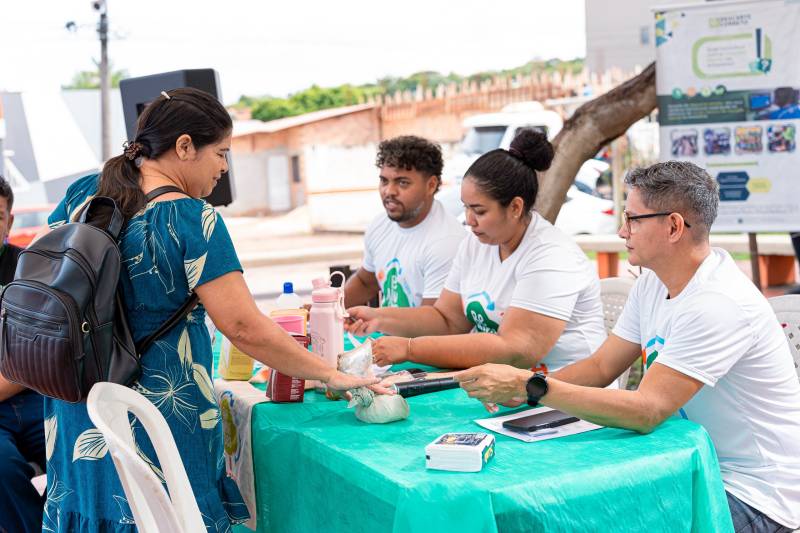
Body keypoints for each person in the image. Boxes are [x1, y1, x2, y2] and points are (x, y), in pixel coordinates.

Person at [40, 88, 376, 532]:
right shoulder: (192, 219)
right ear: (184, 147)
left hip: (78, 403)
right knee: (164, 514)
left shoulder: (82, 194)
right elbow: (243, 326)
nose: (224, 168)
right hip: (155, 415)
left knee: (95, 510)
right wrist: (330, 373)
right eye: (221, 153)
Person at [456, 161, 800, 532]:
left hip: (754, 493)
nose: (622, 231)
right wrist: (522, 392)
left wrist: (532, 387)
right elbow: (601, 367)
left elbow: (646, 410)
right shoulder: (653, 282)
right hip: (688, 465)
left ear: (673, 227)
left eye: (633, 219)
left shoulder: (718, 302)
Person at [347, 129, 606, 373]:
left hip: (567, 391)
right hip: (506, 387)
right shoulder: (476, 243)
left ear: (515, 207)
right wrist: (378, 317)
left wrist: (409, 348)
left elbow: (516, 350)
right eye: (466, 207)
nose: (469, 220)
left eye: (479, 211)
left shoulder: (552, 257)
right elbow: (447, 320)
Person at [344, 135, 464, 308]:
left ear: (431, 185)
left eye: (402, 183)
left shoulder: (447, 241)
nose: (389, 191)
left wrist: (375, 318)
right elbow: (365, 282)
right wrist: (324, 308)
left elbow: (435, 319)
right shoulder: (379, 225)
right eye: (384, 181)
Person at [0, 176, 46, 533]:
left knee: (84, 453)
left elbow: (42, 348)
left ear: (10, 221)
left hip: (35, 399)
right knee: (3, 469)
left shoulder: (30, 269)